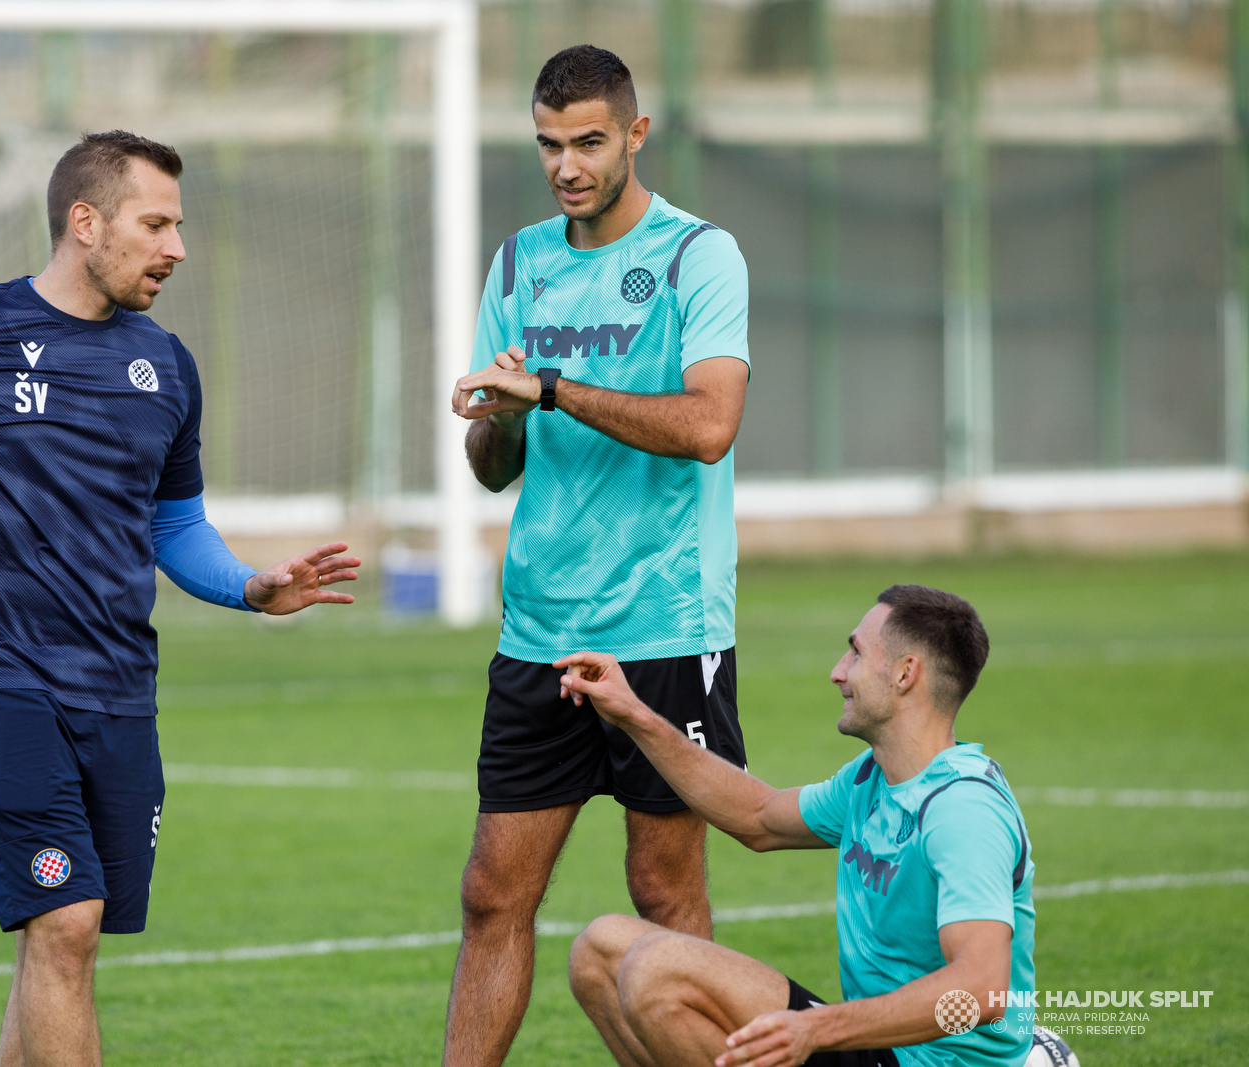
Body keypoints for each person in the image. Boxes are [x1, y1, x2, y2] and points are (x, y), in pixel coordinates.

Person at [0, 130, 361, 1067]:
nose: (178, 248)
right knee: (65, 923)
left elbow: (176, 530)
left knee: (62, 943)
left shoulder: (167, 366)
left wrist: (253, 585)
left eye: (180, 225)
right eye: (157, 223)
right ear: (85, 222)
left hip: (121, 688)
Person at [444, 44, 752, 1066]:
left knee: (663, 892)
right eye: (547, 145)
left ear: (633, 134)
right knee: (493, 892)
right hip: (540, 629)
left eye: (586, 142)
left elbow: (709, 425)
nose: (566, 165)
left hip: (664, 625)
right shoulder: (520, 261)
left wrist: (556, 388)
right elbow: (493, 467)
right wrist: (496, 412)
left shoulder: (696, 256)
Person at [561, 585, 1037, 1067]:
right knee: (599, 953)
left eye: (855, 652)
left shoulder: (962, 810)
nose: (838, 671)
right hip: (874, 1050)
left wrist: (816, 1027)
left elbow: (983, 990)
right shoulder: (871, 778)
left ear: (904, 673)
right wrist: (634, 715)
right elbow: (758, 817)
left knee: (654, 970)